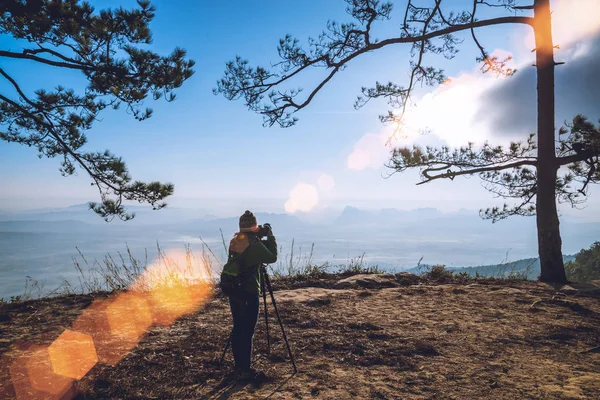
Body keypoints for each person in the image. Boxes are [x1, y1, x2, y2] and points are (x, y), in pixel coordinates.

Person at [226, 210, 277, 380]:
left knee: (238, 327)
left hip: (234, 291)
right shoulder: (254, 245)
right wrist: (270, 237)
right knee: (247, 331)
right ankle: (245, 370)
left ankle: (238, 367)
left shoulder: (236, 240)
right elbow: (272, 257)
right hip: (249, 291)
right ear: (254, 227)